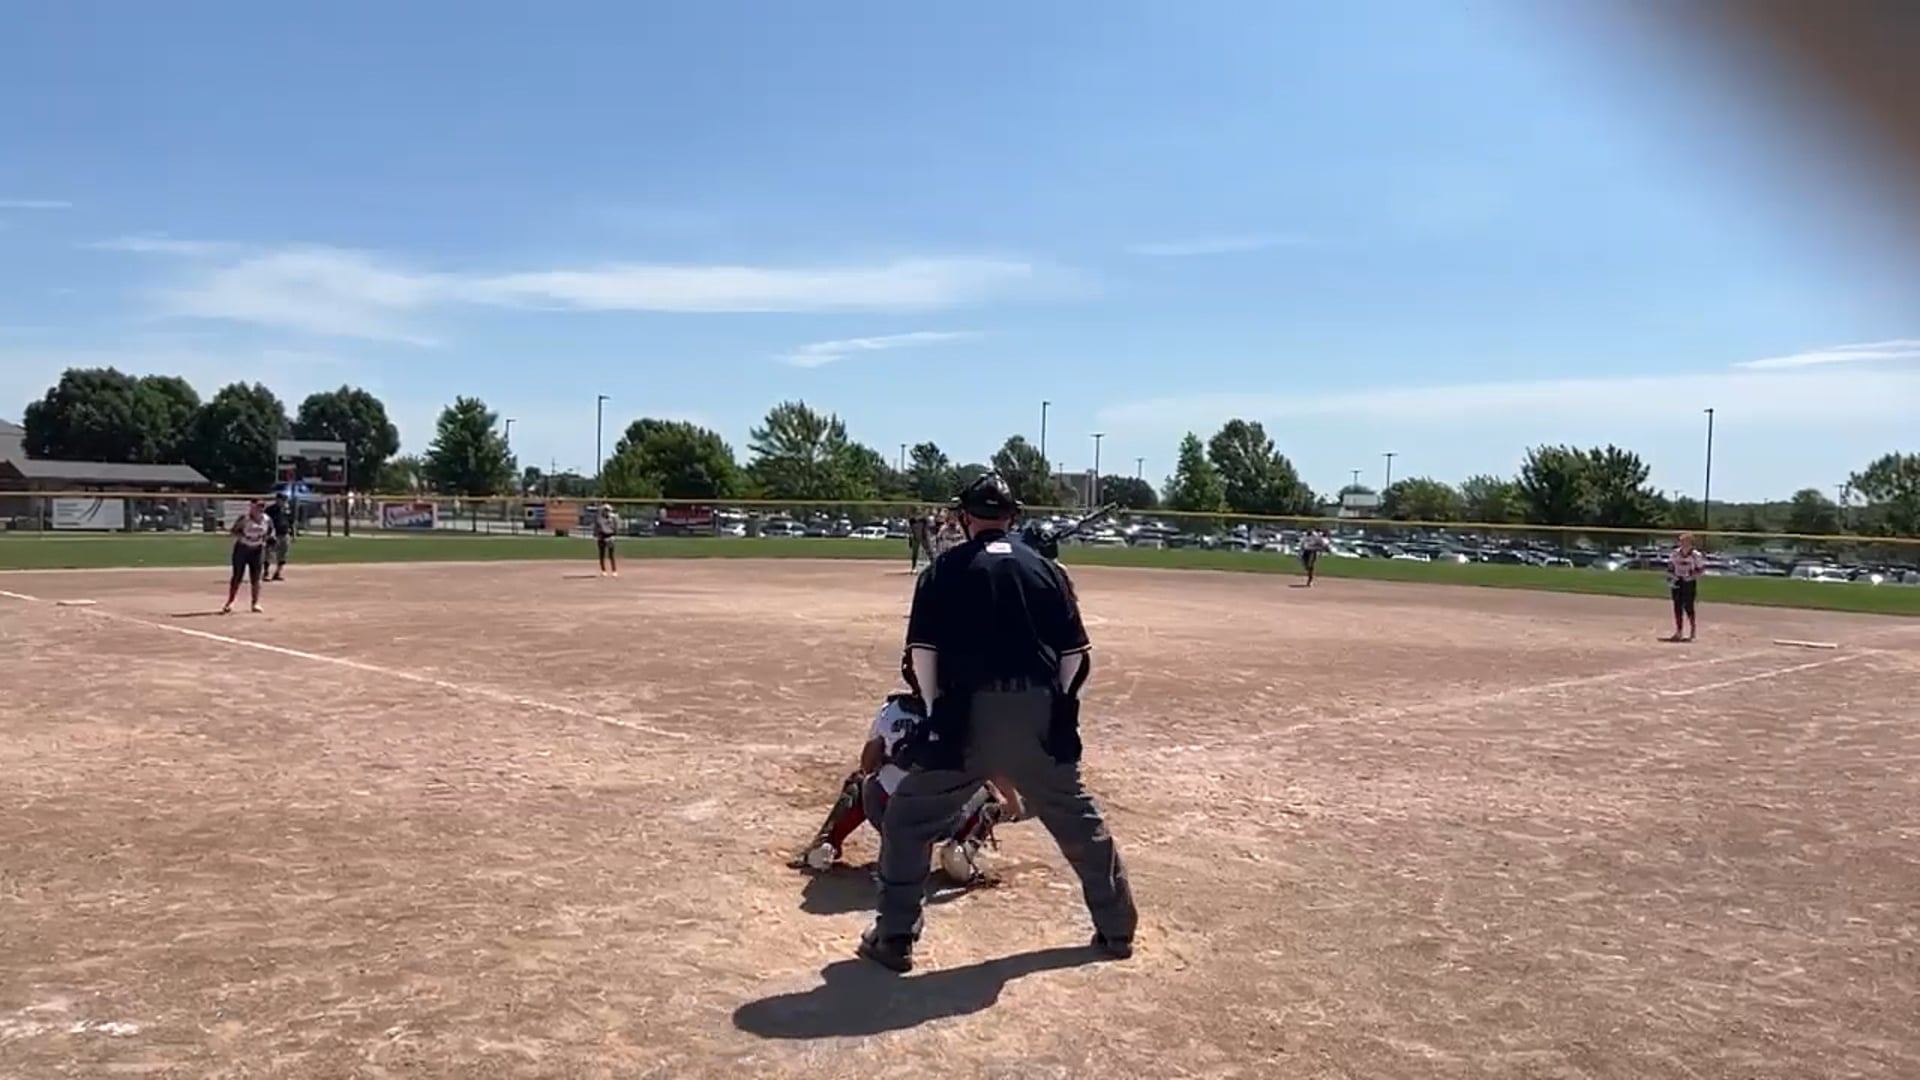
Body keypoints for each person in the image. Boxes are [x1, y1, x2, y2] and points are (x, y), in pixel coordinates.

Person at [858, 472, 1137, 973]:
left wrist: (935, 711)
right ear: (1012, 516)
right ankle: (1117, 929)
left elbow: (922, 655)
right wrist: (1060, 709)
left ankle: (895, 937)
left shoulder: (944, 569)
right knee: (1076, 818)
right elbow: (1076, 657)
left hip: (965, 716)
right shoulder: (1047, 570)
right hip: (1037, 712)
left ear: (965, 517)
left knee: (908, 821)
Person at [790, 688, 1021, 885]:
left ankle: (827, 843)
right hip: (939, 822)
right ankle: (960, 853)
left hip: (886, 814)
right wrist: (1013, 803)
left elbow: (867, 764)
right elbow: (993, 768)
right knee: (987, 791)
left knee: (861, 782)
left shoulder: (892, 710)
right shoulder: (968, 714)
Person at [223, 500, 275, 615]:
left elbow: (271, 532)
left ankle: (255, 603)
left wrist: (268, 539)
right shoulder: (244, 519)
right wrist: (243, 536)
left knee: (256, 578)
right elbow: (233, 531)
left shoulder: (267, 519)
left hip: (258, 549)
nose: (260, 509)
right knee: (237, 576)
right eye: (258, 506)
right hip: (242, 548)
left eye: (262, 507)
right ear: (252, 507)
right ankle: (230, 602)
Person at [1666, 532, 1706, 642]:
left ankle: (1692, 629)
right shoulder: (1675, 553)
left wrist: (1692, 576)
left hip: (1689, 582)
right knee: (1677, 606)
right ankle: (1679, 631)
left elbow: (1701, 569)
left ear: (1690, 543)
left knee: (1688, 606)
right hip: (1677, 581)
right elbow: (1670, 568)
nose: (1683, 543)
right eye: (1681, 541)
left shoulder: (1695, 555)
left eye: (1685, 541)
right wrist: (1671, 578)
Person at [264, 492, 293, 582]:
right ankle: (266, 573)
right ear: (277, 500)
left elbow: (291, 522)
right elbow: (265, 522)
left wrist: (292, 534)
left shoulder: (287, 510)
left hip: (284, 534)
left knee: (283, 554)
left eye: (285, 500)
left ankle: (278, 572)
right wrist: (267, 534)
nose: (284, 502)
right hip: (273, 534)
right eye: (282, 500)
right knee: (269, 553)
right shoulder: (270, 510)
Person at [593, 504, 621, 577]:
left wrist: (614, 535)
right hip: (602, 536)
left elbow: (616, 527)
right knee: (602, 554)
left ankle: (614, 571)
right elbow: (596, 527)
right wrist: (596, 535)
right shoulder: (599, 518)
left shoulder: (613, 518)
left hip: (610, 536)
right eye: (605, 510)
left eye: (608, 510)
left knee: (611, 555)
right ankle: (603, 571)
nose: (607, 512)